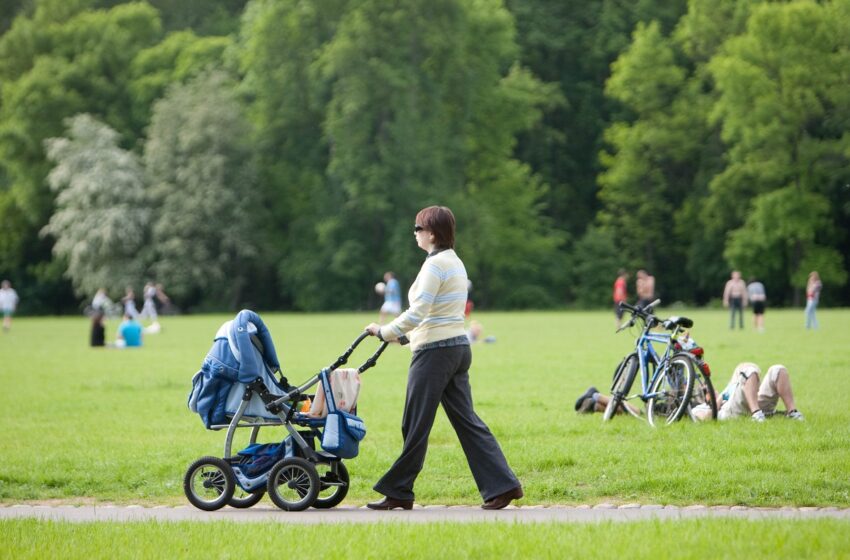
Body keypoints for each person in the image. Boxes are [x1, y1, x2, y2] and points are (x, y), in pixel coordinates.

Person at [364, 206, 522, 511]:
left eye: (418, 228)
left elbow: (419, 311)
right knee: (467, 421)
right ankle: (504, 486)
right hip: (456, 349)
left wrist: (384, 331)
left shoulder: (435, 266)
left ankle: (399, 491)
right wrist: (406, 337)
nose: (415, 233)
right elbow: (442, 315)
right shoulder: (456, 263)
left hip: (435, 355)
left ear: (432, 233)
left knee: (415, 423)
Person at [699, 362, 804, 422]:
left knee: (778, 369)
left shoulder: (726, 393)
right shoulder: (698, 407)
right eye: (705, 389)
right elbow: (707, 417)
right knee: (749, 370)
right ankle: (756, 414)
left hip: (754, 402)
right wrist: (717, 400)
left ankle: (792, 412)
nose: (708, 387)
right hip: (734, 412)